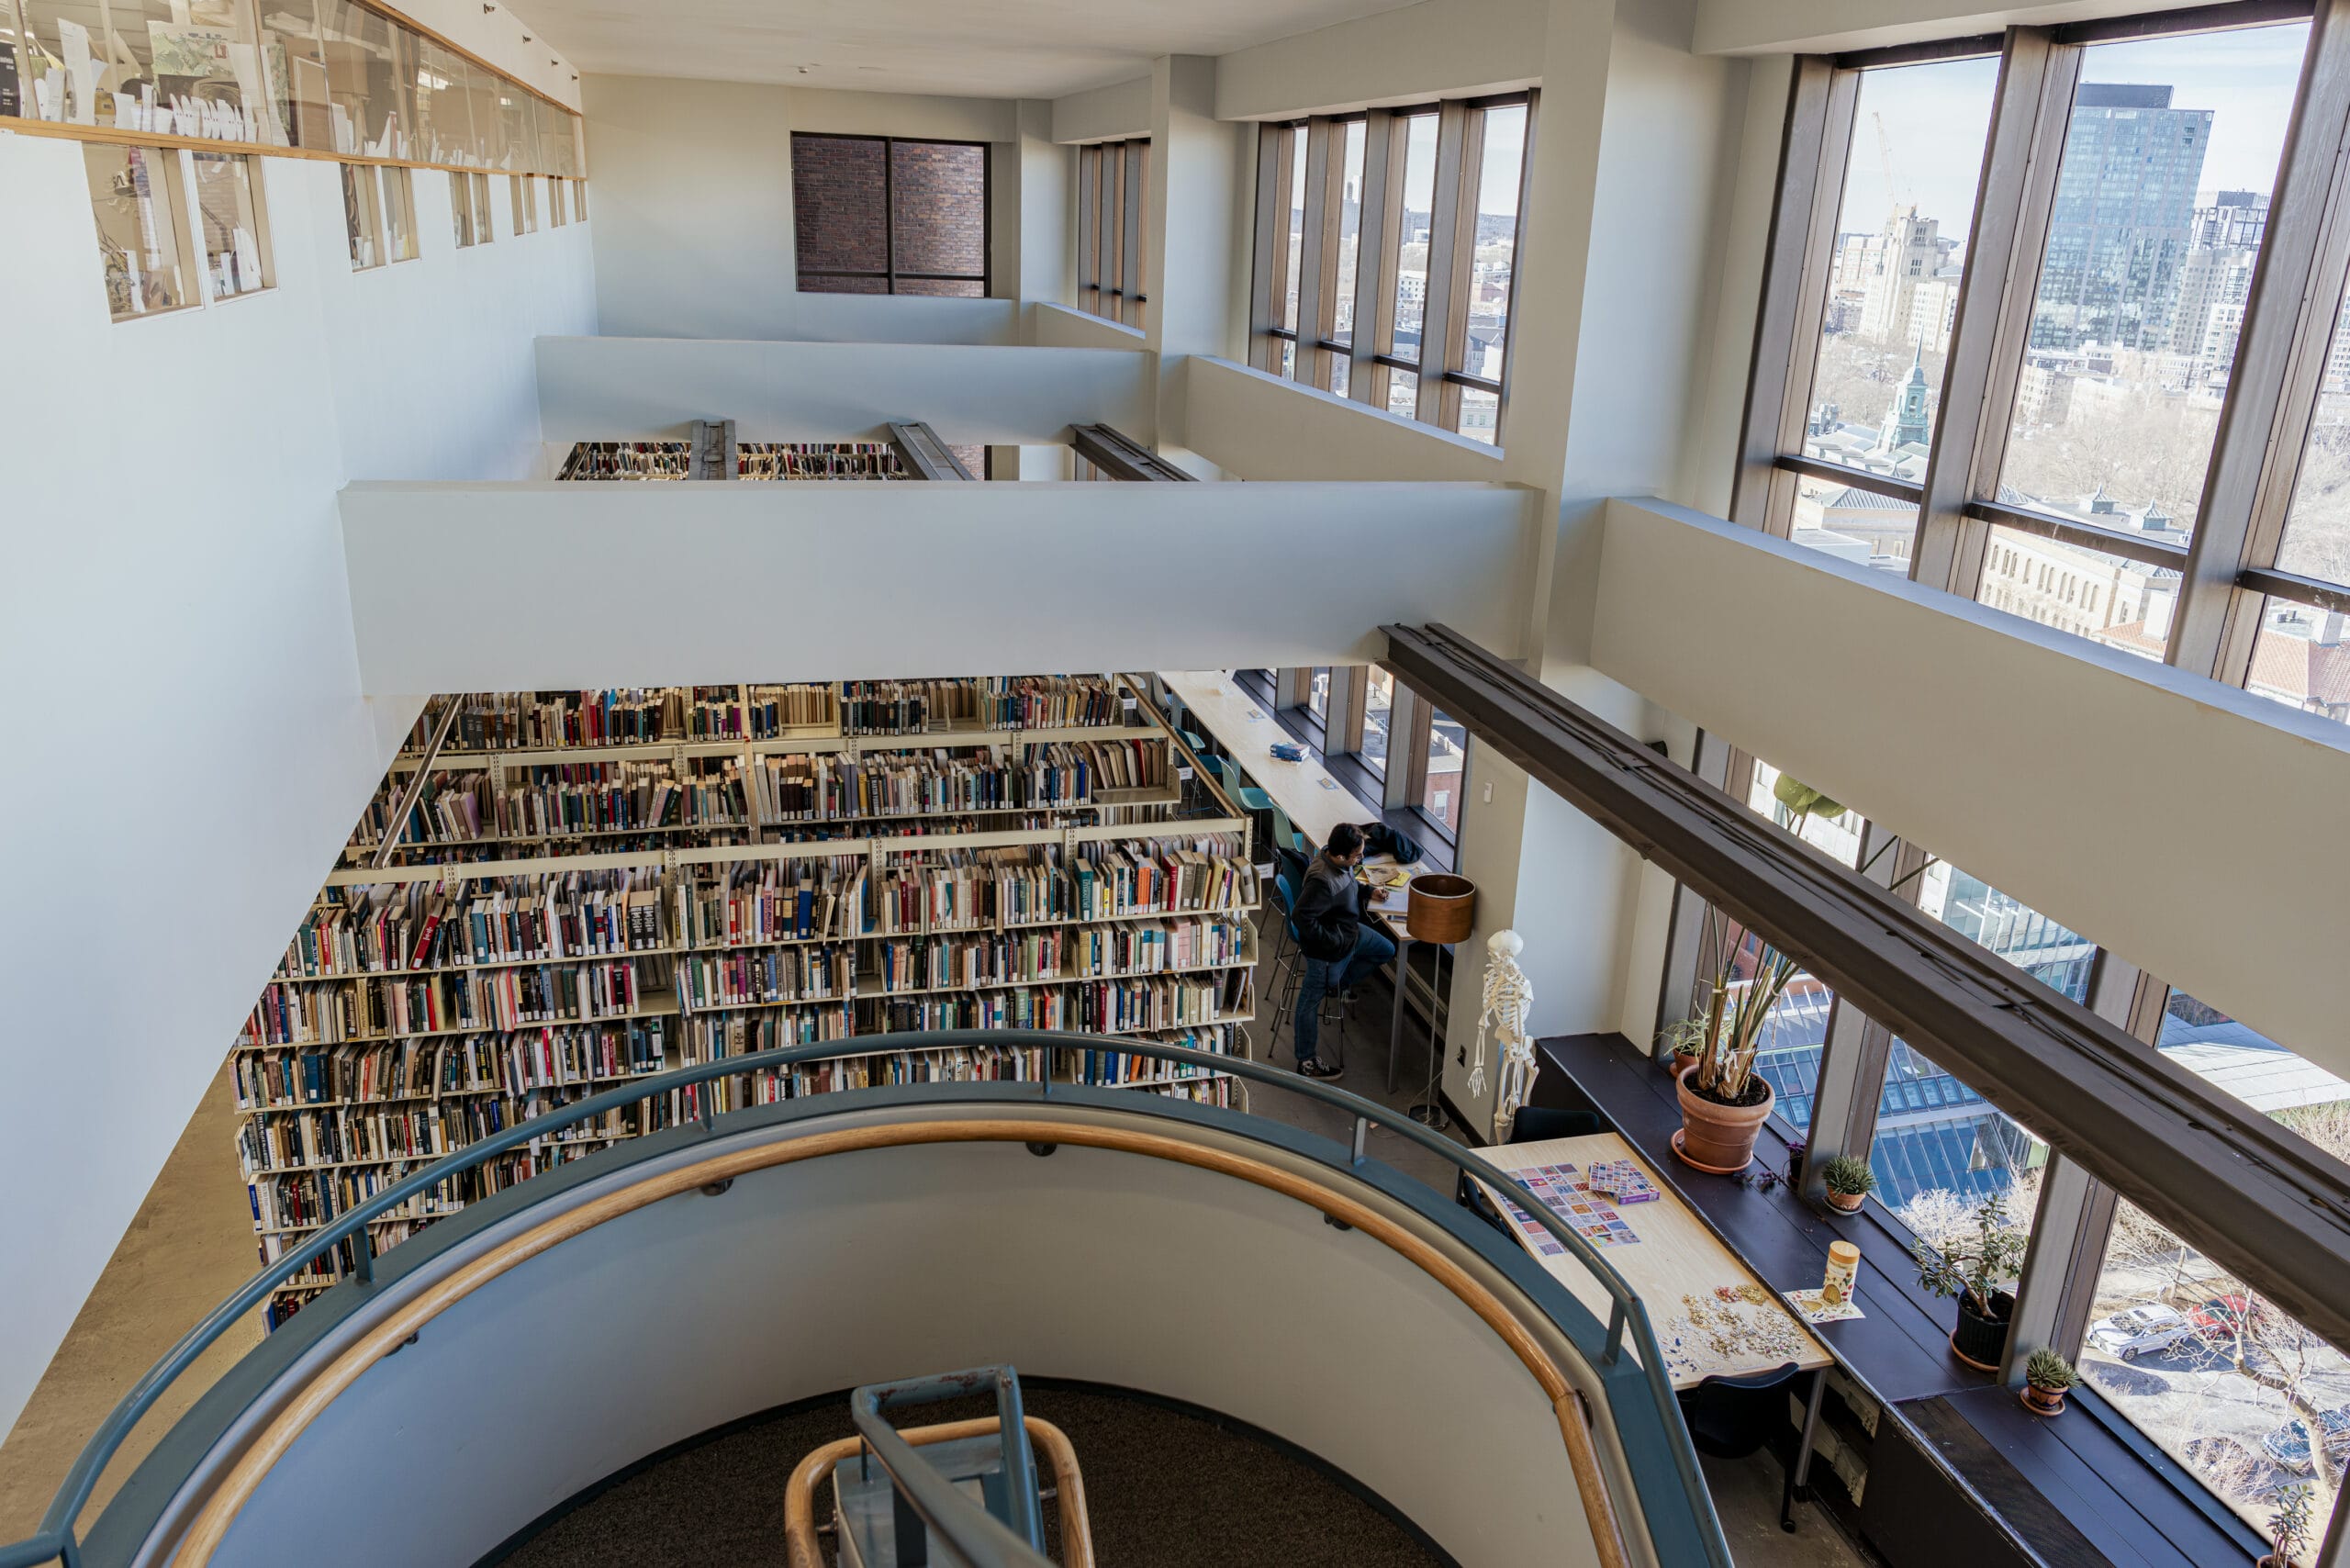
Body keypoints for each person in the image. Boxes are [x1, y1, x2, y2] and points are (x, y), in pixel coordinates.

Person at [1288, 823, 1396, 1079]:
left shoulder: (1336, 860)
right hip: (1328, 950)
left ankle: (1339, 983)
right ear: (1340, 856)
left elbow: (1348, 883)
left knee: (1386, 949)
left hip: (1350, 934)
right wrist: (1334, 942)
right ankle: (1306, 1061)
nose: (1360, 859)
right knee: (1308, 1004)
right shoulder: (1321, 881)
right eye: (1357, 856)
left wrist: (1369, 890)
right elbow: (1301, 918)